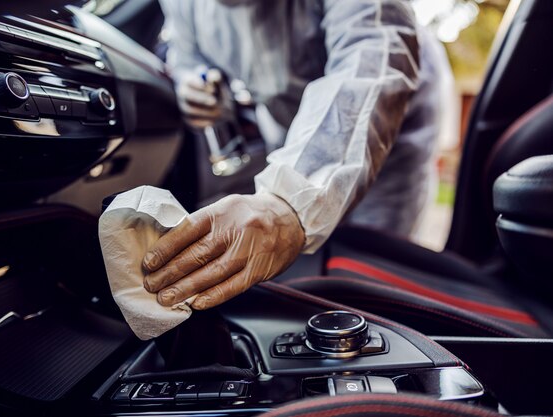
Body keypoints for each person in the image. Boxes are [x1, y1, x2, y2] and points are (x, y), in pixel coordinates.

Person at [142, 0, 451, 311]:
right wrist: (192, 82)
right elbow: (186, 55)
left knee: (374, 262)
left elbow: (370, 59)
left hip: (391, 123)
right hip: (289, 122)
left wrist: (287, 205)